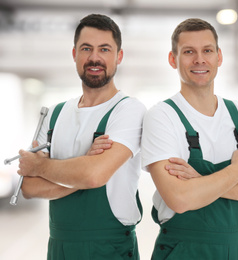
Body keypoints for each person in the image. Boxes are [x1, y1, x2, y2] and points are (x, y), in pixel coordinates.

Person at [141, 18, 238, 260]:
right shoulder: (162, 117)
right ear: (172, 59)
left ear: (219, 57)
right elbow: (180, 198)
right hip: (182, 250)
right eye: (188, 52)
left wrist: (201, 182)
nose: (199, 59)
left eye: (207, 50)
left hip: (234, 249)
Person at [17, 14, 146, 260]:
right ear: (74, 54)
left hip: (110, 247)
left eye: (104, 49)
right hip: (60, 246)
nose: (94, 58)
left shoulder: (128, 110)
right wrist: (85, 162)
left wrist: (42, 166)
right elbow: (29, 187)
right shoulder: (54, 113)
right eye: (86, 48)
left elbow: (94, 175)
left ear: (119, 56)